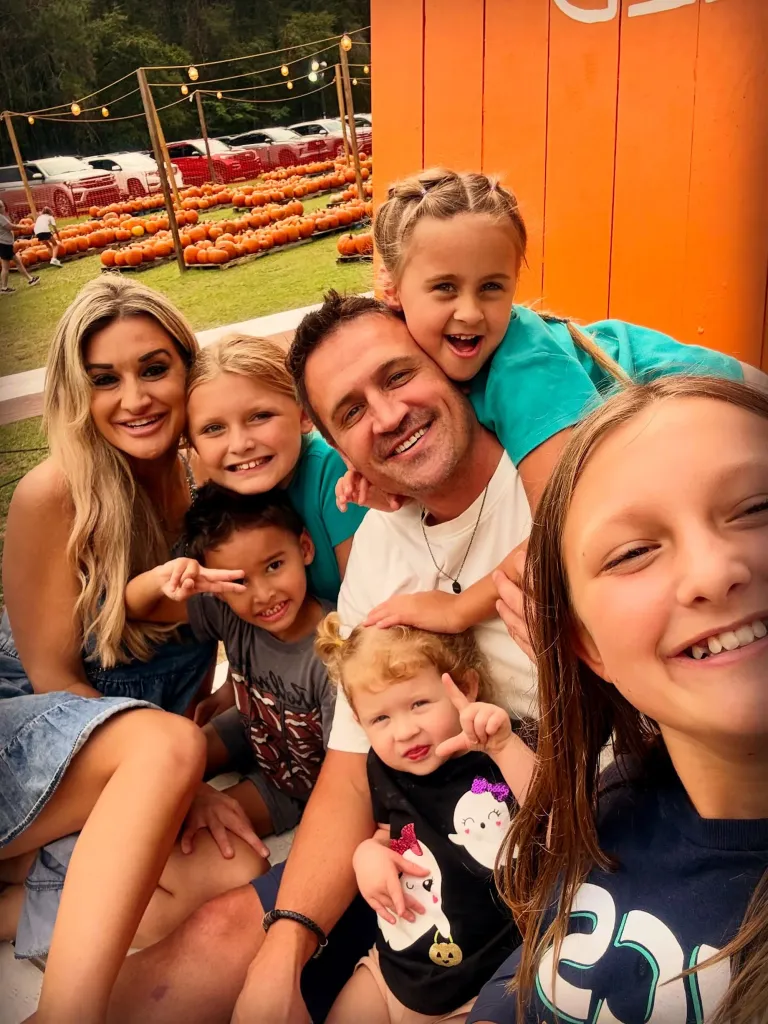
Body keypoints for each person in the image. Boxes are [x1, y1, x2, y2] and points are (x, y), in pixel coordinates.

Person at [105, 291, 534, 1024]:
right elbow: (347, 763)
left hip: (543, 853)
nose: (387, 416)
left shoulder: (551, 482)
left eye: (398, 377)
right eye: (351, 411)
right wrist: (285, 947)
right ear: (331, 438)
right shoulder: (376, 549)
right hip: (413, 851)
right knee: (226, 941)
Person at [341, 169, 757, 636]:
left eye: (492, 287)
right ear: (391, 289)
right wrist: (381, 469)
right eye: (445, 288)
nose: (471, 311)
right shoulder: (444, 351)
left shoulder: (524, 368)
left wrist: (459, 609)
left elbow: (570, 525)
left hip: (739, 413)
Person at [468, 376, 768, 1024]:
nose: (714, 571)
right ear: (587, 646)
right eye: (634, 552)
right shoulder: (612, 798)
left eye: (758, 507)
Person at [0, 277, 219, 1023]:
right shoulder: (55, 495)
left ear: (188, 369)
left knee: (231, 870)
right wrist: (180, 772)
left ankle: (18, 897)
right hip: (34, 738)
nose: (135, 398)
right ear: (78, 394)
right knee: (167, 755)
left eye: (154, 368)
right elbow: (54, 683)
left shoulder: (217, 481)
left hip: (126, 760)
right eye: (105, 380)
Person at [315, 615, 534, 1024]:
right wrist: (368, 852)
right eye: (380, 719)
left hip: (484, 986)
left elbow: (549, 811)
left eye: (419, 704)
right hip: (393, 971)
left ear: (465, 687)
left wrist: (504, 747)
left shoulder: (498, 746)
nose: (403, 732)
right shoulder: (384, 768)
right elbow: (389, 833)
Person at [184, 334, 367, 725]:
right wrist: (240, 688)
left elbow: (366, 611)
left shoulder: (334, 475)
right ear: (193, 445)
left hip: (354, 667)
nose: (240, 444)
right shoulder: (229, 486)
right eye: (214, 429)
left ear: (304, 414)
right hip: (297, 669)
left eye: (260, 416)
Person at [0, 199, 40, 292]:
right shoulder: (0, 217)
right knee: (6, 267)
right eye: (2, 206)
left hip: (5, 244)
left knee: (17, 262)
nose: (4, 207)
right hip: (4, 244)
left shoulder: (2, 216)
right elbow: (10, 227)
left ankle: (30, 279)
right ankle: (4, 288)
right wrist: (23, 227)